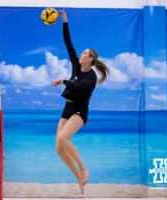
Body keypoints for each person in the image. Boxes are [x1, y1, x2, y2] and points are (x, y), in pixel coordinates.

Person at [51, 10, 109, 194]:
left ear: (90, 59)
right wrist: (64, 20)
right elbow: (68, 42)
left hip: (79, 111)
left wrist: (62, 81)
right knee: (59, 148)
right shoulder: (76, 65)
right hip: (67, 107)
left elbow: (79, 87)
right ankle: (79, 177)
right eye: (82, 52)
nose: (81, 54)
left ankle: (84, 168)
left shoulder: (91, 77)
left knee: (63, 138)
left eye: (85, 53)